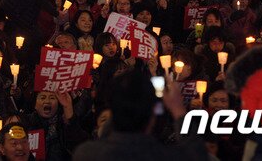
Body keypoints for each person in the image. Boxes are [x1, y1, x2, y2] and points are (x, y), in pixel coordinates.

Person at [73, 69, 208, 161]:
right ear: (153, 115)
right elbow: (197, 153)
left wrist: (121, 105)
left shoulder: (87, 154)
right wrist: (178, 110)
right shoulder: (166, 156)